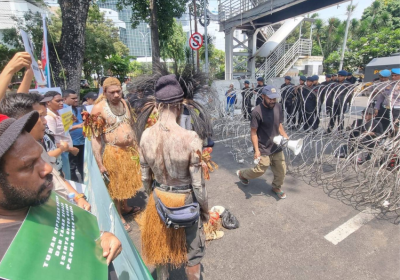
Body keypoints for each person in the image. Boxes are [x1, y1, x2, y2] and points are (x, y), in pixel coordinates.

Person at [0, 112, 121, 278]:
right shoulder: (6, 258)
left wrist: (102, 237)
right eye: (29, 165)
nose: (48, 169)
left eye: (41, 157)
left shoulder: (38, 199)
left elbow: (81, 233)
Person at [138, 74, 209, 280]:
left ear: (158, 105)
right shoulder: (190, 138)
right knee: (193, 254)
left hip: (158, 197)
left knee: (161, 249)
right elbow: (198, 183)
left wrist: (153, 197)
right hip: (185, 200)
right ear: (179, 105)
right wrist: (204, 209)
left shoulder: (145, 136)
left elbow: (145, 178)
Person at [0, 93, 91, 210]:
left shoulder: (37, 146)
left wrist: (78, 197)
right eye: (29, 165)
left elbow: (57, 176)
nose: (45, 121)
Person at [90, 77, 141, 232]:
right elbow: (95, 138)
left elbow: (131, 127)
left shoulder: (125, 103)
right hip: (114, 153)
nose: (117, 95)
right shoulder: (98, 109)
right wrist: (100, 163)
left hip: (129, 152)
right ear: (104, 92)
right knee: (116, 187)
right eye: (112, 92)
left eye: (118, 91)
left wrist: (137, 148)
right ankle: (119, 216)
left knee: (126, 182)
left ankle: (125, 207)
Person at [236, 85, 289, 199]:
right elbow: (253, 132)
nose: (272, 101)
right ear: (263, 96)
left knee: (282, 170)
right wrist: (256, 150)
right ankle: (242, 174)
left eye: (274, 98)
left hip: (276, 145)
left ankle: (276, 187)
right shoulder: (257, 112)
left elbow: (279, 124)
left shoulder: (278, 107)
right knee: (260, 170)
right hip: (263, 146)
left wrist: (285, 135)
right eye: (270, 98)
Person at [43, 91, 78, 180]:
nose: (61, 103)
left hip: (64, 151)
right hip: (60, 153)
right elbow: (51, 140)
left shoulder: (58, 113)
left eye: (62, 100)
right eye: (58, 101)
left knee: (66, 177)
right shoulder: (49, 117)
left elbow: (63, 131)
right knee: (64, 179)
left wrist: (73, 122)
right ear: (48, 102)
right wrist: (70, 149)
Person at [63, 89, 85, 182]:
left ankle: (85, 185)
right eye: (73, 98)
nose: (76, 100)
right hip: (71, 144)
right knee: (71, 167)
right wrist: (77, 126)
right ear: (65, 99)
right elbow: (64, 129)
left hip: (82, 142)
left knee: (82, 165)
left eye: (76, 98)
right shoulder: (62, 111)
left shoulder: (78, 109)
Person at [374, 68, 400, 132]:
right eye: (392, 75)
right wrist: (377, 107)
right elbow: (382, 97)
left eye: (396, 75)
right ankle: (383, 136)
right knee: (383, 124)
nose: (393, 77)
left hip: (396, 109)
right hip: (385, 108)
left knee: (395, 125)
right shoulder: (389, 84)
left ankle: (394, 138)